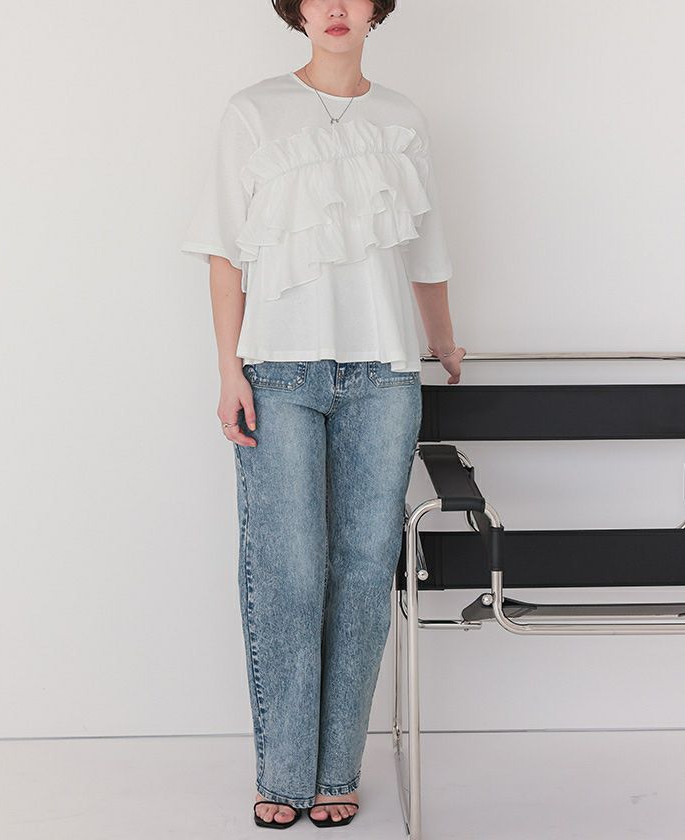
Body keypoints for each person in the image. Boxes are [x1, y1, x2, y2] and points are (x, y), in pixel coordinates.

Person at [180, 0, 465, 829]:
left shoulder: (402, 117)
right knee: (287, 573)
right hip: (277, 371)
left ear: (376, 11)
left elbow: (427, 253)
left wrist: (444, 343)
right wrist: (229, 369)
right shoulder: (253, 111)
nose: (336, 7)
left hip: (385, 374)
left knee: (364, 574)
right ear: (297, 11)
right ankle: (283, 775)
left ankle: (338, 769)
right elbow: (225, 254)